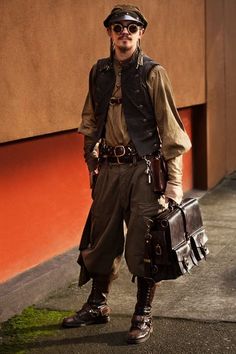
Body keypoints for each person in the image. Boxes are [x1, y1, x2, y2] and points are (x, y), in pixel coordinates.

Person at [62, 4, 191, 344]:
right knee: (100, 239)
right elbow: (91, 119)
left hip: (144, 171)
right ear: (109, 32)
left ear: (140, 33)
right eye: (117, 27)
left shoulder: (153, 72)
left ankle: (142, 313)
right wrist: (91, 163)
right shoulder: (100, 71)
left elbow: (171, 131)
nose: (124, 32)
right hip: (109, 169)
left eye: (131, 28)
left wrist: (174, 183)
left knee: (145, 243)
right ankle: (97, 305)